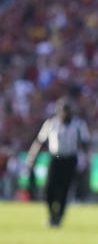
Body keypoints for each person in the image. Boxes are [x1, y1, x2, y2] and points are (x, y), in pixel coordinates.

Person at [24, 97, 91, 227]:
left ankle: (58, 217)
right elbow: (39, 142)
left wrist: (87, 160)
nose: (64, 113)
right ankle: (51, 214)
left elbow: (85, 143)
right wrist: (32, 159)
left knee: (65, 190)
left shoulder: (79, 124)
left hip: (70, 159)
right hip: (56, 157)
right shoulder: (51, 123)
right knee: (49, 189)